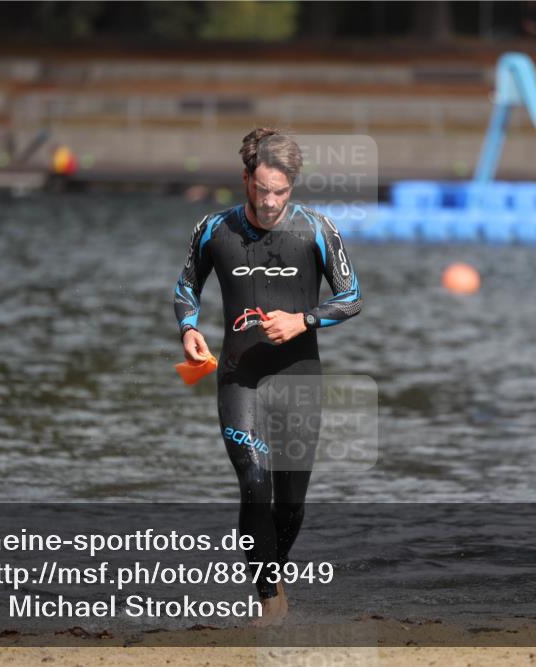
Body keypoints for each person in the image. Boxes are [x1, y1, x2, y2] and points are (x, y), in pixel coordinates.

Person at [173, 128, 362, 626]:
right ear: (246, 180)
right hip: (241, 378)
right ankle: (268, 598)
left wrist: (305, 320)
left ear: (292, 185)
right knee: (254, 484)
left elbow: (352, 297)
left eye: (281, 190)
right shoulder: (215, 229)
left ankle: (273, 575)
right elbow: (185, 286)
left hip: (299, 378)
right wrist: (188, 328)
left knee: (291, 505)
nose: (272, 201)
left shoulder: (317, 230)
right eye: (262, 190)